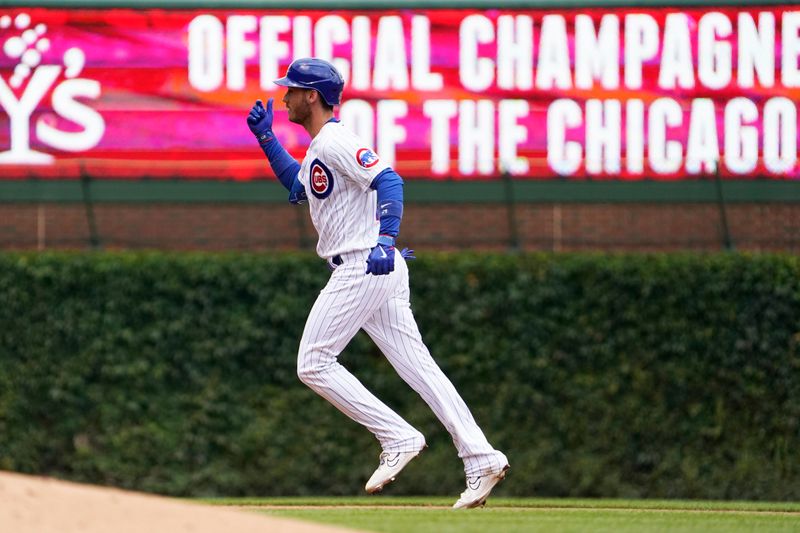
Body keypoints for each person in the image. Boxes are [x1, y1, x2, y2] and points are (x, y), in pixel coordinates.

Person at [246, 57, 508, 509]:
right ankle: (481, 456)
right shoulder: (320, 146)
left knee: (312, 362)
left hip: (364, 263)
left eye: (292, 89)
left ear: (312, 96)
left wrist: (387, 239)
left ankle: (398, 436)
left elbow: (389, 180)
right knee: (420, 368)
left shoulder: (336, 140)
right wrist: (267, 138)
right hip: (374, 265)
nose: (284, 96)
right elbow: (300, 188)